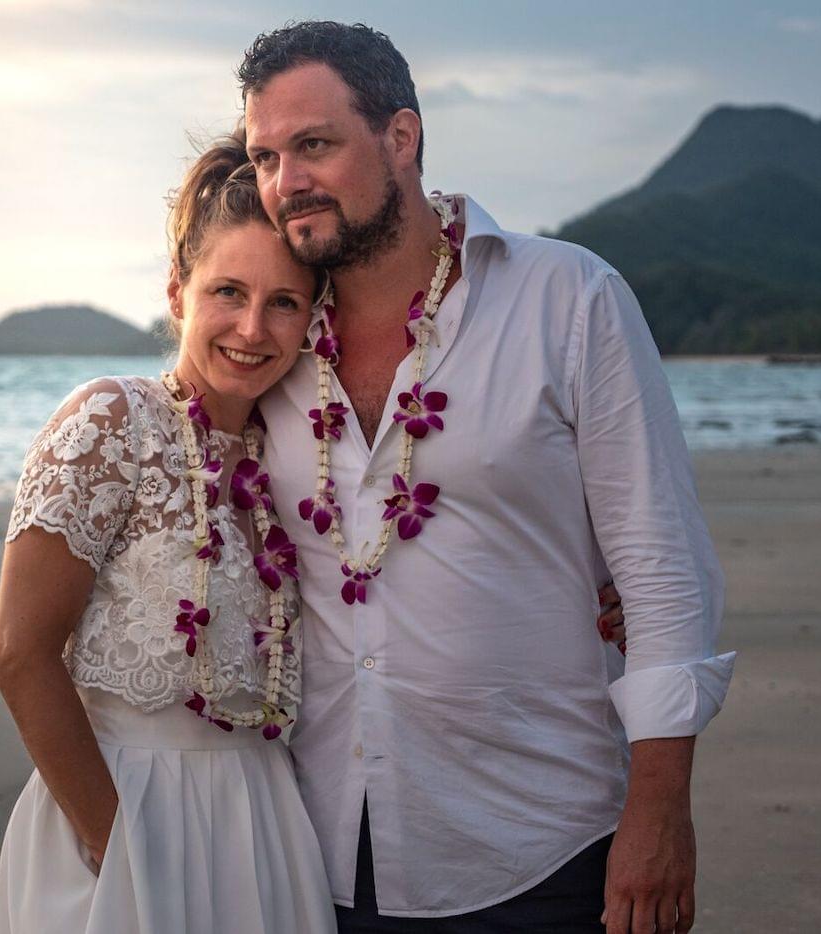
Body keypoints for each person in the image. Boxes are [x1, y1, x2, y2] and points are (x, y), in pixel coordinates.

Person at [239, 22, 736, 934]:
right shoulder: (264, 345)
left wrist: (660, 814)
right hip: (313, 855)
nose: (286, 182)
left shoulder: (569, 298)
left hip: (536, 843)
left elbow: (664, 571)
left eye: (313, 145)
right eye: (265, 157)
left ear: (401, 137)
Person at [0, 131, 339, 934]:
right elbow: (18, 652)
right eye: (228, 293)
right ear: (177, 292)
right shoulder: (112, 423)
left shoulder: (292, 453)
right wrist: (121, 851)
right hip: (119, 818)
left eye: (283, 302)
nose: (252, 329)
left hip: (262, 825)